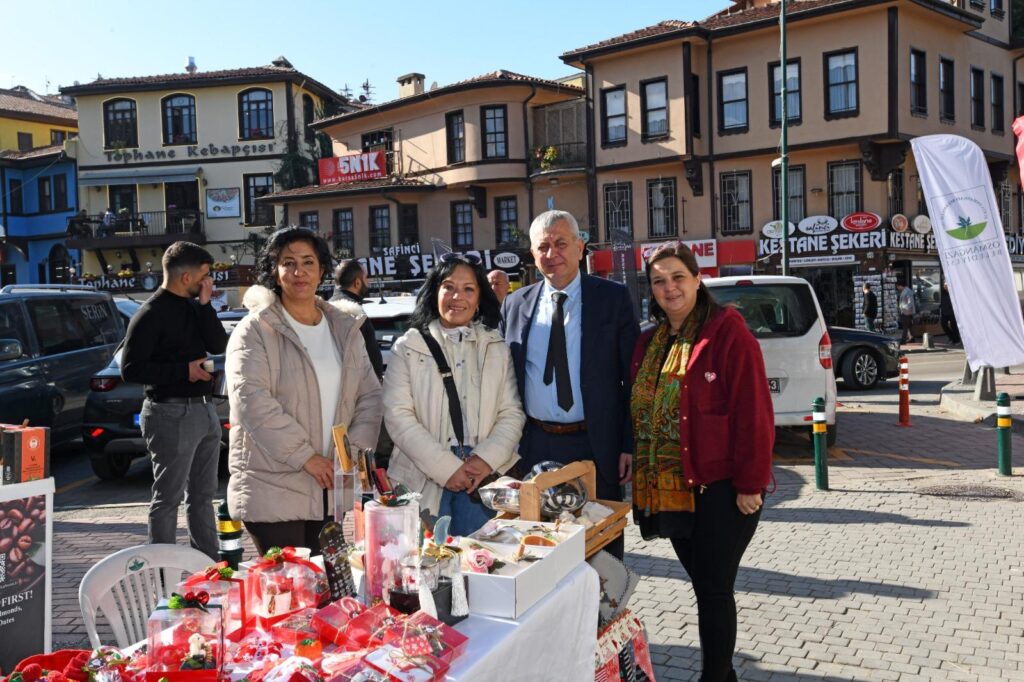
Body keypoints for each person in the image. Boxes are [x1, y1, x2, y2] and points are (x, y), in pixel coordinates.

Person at [630, 242, 773, 682]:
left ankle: (716, 676)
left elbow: (754, 412)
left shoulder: (727, 332)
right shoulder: (648, 342)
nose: (669, 288)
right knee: (706, 587)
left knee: (713, 590)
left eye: (677, 277)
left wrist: (751, 483)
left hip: (722, 491)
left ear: (697, 279)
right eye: (659, 280)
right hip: (672, 490)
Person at [226, 228, 383, 554]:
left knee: (327, 595)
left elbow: (370, 396)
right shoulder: (253, 331)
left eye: (308, 262)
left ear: (323, 269)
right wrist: (305, 457)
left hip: (332, 489)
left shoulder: (345, 329)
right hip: (275, 489)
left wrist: (349, 457)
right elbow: (251, 402)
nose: (299, 272)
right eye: (288, 263)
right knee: (287, 594)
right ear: (274, 270)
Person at [501, 209, 639, 558]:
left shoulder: (613, 299)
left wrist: (628, 443)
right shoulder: (515, 305)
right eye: (542, 246)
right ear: (532, 254)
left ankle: (601, 616)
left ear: (580, 247)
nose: (552, 254)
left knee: (602, 555)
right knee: (540, 552)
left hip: (598, 445)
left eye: (561, 243)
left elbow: (632, 379)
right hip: (537, 447)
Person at [384, 254, 525, 536]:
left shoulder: (495, 347)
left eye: (468, 289)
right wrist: (447, 468)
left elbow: (512, 413)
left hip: (482, 477)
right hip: (421, 477)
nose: (457, 296)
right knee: (428, 568)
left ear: (479, 298)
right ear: (435, 291)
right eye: (448, 286)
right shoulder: (408, 347)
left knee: (483, 564)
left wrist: (484, 460)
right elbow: (398, 417)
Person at [121, 241, 229, 558]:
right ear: (186, 277)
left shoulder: (196, 307)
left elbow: (217, 343)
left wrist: (207, 304)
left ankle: (208, 566)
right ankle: (163, 568)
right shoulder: (150, 313)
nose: (208, 282)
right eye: (205, 276)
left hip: (204, 409)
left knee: (203, 495)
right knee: (168, 497)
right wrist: (184, 370)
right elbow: (131, 369)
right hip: (169, 412)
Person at [330, 259, 385, 379]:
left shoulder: (325, 309)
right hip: (358, 391)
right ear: (357, 283)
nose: (368, 282)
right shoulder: (353, 313)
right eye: (366, 278)